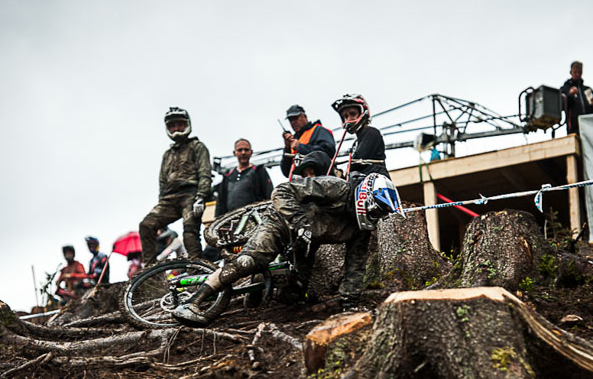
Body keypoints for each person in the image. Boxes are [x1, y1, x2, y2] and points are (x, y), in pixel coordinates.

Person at [176, 151, 399, 321]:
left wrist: (350, 305)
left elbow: (355, 266)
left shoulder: (362, 228)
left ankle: (256, 288)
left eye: (381, 213)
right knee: (248, 261)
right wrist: (300, 223)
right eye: (377, 209)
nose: (376, 216)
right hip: (281, 223)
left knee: (294, 294)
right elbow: (281, 192)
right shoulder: (336, 188)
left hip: (306, 243)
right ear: (366, 197)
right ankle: (192, 303)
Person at [139, 107, 210, 267]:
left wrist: (201, 197)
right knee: (146, 225)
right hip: (169, 199)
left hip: (190, 195)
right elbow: (162, 182)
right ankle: (150, 273)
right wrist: (160, 205)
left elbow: (205, 173)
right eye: (173, 126)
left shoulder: (197, 146)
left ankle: (197, 269)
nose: (176, 128)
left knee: (190, 231)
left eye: (180, 124)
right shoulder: (168, 154)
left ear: (187, 125)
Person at [329, 95, 386, 179]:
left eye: (352, 114)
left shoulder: (371, 132)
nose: (349, 119)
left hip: (376, 184)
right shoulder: (356, 143)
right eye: (345, 116)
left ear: (362, 113)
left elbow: (358, 160)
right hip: (362, 185)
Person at [215, 139, 273, 219]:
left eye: (246, 150)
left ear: (251, 152)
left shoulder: (258, 171)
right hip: (231, 222)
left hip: (255, 220)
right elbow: (220, 203)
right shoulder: (228, 176)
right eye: (240, 150)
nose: (243, 153)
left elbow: (269, 195)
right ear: (234, 153)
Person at [280, 104, 336, 179]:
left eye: (296, 118)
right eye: (291, 120)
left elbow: (329, 151)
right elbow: (286, 172)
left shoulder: (318, 130)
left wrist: (300, 147)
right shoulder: (293, 140)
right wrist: (287, 148)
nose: (293, 122)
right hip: (299, 186)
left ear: (305, 117)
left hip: (320, 181)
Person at [564, 61, 588, 132]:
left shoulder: (587, 89)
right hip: (573, 127)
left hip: (589, 125)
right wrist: (570, 94)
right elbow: (562, 105)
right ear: (571, 72)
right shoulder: (565, 88)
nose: (577, 74)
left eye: (579, 72)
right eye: (575, 72)